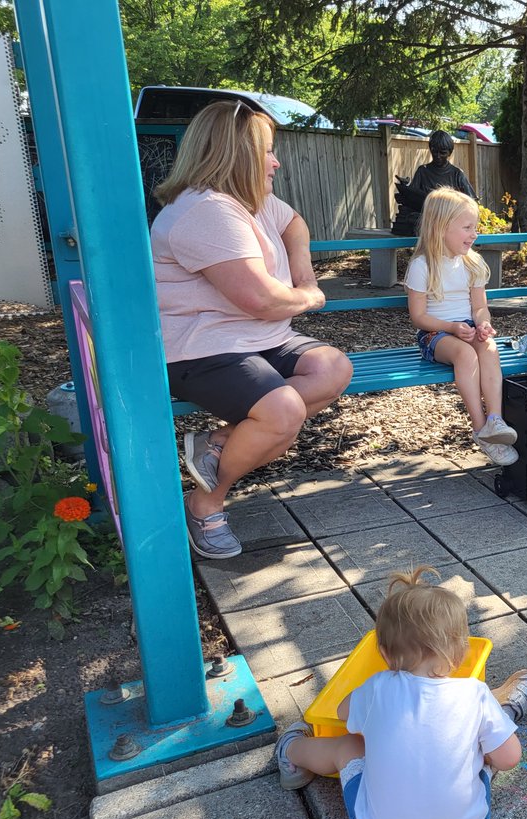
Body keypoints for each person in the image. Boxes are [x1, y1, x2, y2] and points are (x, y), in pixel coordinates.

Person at [151, 100, 353, 559]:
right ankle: (205, 503)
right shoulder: (206, 211)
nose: (276, 161)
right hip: (199, 347)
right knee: (282, 415)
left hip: (257, 339)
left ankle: (218, 442)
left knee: (333, 368)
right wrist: (311, 296)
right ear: (233, 153)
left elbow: (294, 222)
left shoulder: (251, 200)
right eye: (267, 151)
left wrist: (304, 274)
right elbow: (261, 300)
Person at [275, 565, 527, 819]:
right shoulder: (474, 692)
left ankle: (290, 751)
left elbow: (341, 713)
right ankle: (508, 709)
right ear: (460, 652)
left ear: (384, 653)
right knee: (482, 747)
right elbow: (509, 759)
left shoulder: (377, 687)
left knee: (348, 745)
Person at [404, 188, 518, 466]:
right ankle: (480, 429)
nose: (474, 234)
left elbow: (479, 307)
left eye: (474, 227)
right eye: (467, 227)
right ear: (441, 228)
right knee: (466, 355)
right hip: (435, 333)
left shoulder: (472, 263)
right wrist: (452, 328)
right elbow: (418, 317)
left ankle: (495, 420)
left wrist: (483, 324)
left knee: (488, 347)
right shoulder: (422, 266)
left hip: (465, 328)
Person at [392, 130, 478, 236]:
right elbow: (413, 198)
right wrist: (404, 193)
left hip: (448, 217)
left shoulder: (456, 173)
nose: (438, 156)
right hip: (426, 216)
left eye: (442, 153)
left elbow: (472, 202)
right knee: (412, 218)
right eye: (434, 151)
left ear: (449, 153)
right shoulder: (422, 171)